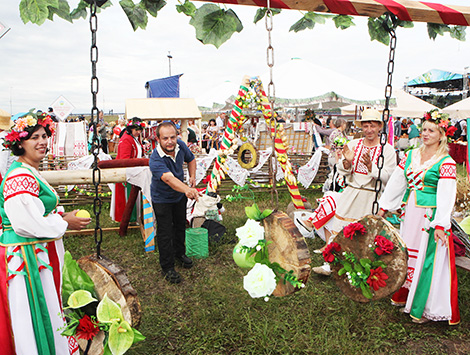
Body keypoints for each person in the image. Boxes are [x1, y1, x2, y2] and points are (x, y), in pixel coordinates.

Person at [0, 111, 90, 354]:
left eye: (44, 136)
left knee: (45, 307)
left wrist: (58, 216)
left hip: (34, 251)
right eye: (33, 137)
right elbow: (25, 222)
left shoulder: (28, 171)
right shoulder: (19, 176)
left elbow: (36, 211)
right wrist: (65, 222)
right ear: (19, 143)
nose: (41, 141)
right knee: (33, 311)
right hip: (24, 258)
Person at [378, 111, 460, 325]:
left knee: (426, 259)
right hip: (410, 213)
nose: (425, 134)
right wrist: (384, 207)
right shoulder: (411, 154)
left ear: (442, 134)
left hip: (430, 218)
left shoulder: (446, 162)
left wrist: (441, 225)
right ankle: (405, 294)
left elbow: (446, 195)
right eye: (423, 129)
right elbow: (397, 181)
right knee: (408, 253)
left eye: (431, 130)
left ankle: (424, 305)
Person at [304, 109, 397, 275]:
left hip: (371, 195)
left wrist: (371, 168)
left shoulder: (387, 150)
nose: (369, 129)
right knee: (340, 227)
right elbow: (342, 170)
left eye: (372, 126)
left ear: (379, 127)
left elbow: (390, 177)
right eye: (366, 125)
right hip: (351, 192)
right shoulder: (354, 145)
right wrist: (347, 163)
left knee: (365, 233)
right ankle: (330, 263)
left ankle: (361, 268)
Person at [149, 121, 201, 283]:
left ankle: (180, 254)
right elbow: (169, 179)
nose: (170, 141)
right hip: (162, 199)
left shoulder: (180, 145)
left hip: (179, 197)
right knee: (165, 233)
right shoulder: (155, 159)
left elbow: (191, 160)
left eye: (172, 137)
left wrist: (192, 176)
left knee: (180, 226)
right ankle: (167, 267)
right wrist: (187, 189)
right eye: (165, 138)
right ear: (158, 139)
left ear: (177, 136)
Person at [112, 117, 146, 222]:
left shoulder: (135, 138)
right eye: (136, 130)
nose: (138, 132)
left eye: (140, 130)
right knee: (127, 197)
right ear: (130, 129)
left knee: (134, 196)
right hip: (128, 172)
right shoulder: (126, 139)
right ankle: (127, 219)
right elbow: (124, 159)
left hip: (135, 171)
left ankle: (134, 218)